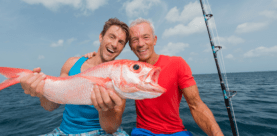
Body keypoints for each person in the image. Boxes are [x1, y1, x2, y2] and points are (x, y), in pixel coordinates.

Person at [84, 18, 224, 136]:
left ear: (154, 40)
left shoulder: (177, 63)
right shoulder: (127, 72)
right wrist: (93, 58)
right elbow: (110, 72)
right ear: (131, 46)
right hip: (143, 132)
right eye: (134, 40)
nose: (141, 44)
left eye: (146, 37)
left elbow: (196, 105)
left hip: (176, 132)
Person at [19, 18, 130, 136]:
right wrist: (41, 91)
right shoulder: (72, 64)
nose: (114, 44)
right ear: (101, 37)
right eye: (112, 37)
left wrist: (105, 108)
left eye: (121, 42)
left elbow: (110, 128)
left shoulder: (121, 77)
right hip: (65, 132)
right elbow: (50, 106)